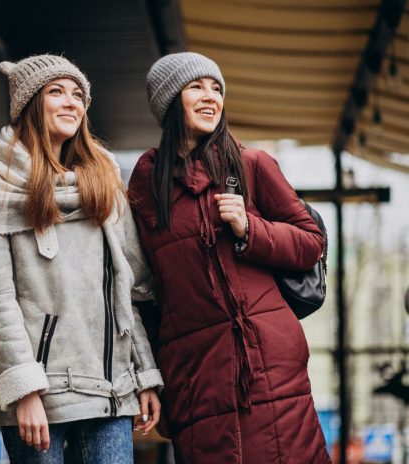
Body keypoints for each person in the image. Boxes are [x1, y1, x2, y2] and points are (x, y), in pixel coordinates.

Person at [127, 52, 331, 463]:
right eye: (196, 87)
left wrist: (251, 229)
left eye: (216, 88)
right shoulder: (146, 185)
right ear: (170, 101)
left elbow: (312, 242)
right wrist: (152, 377)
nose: (210, 97)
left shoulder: (253, 164)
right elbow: (142, 289)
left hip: (270, 365)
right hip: (194, 373)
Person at [0, 54, 163, 464]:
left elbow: (125, 290)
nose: (72, 102)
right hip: (39, 393)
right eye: (56, 92)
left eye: (78, 95)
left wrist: (143, 374)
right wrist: (22, 390)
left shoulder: (105, 179)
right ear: (29, 106)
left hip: (111, 389)